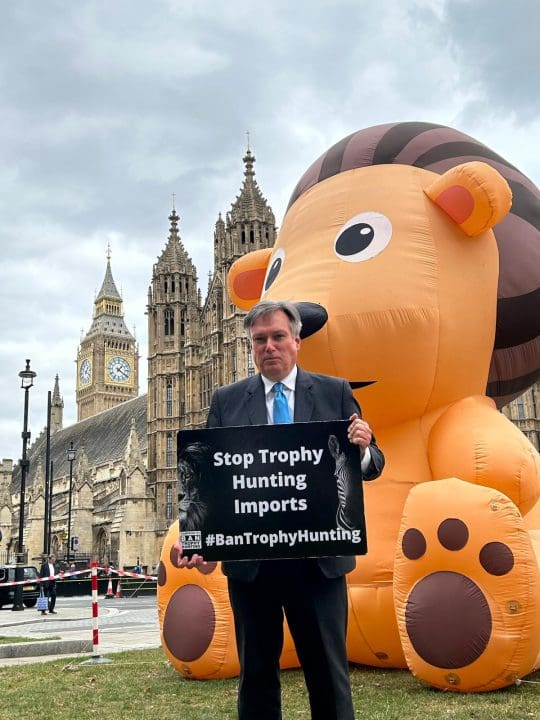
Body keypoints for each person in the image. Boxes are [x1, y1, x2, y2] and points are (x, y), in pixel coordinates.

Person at [175, 300, 385, 720]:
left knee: (328, 675)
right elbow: (208, 481)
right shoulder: (227, 400)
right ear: (250, 346)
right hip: (253, 567)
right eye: (259, 340)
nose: (269, 346)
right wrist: (194, 537)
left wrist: (363, 449)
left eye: (277, 337)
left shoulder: (334, 391)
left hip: (319, 564)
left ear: (296, 341)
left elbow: (374, 465)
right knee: (256, 679)